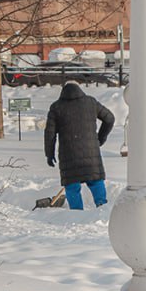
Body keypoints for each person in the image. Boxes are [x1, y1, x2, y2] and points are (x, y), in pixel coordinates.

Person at [44, 80, 115, 210]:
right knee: (95, 180)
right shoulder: (90, 102)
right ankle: (102, 208)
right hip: (91, 152)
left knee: (72, 185)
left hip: (69, 153)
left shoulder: (56, 107)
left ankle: (76, 214)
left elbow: (50, 133)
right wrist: (100, 138)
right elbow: (109, 118)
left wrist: (49, 154)